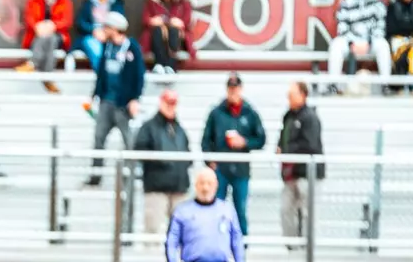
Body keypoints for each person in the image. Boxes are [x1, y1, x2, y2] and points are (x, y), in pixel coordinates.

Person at [200, 73, 265, 236]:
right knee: (216, 208)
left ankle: (241, 246)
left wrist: (245, 142)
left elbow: (261, 139)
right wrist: (210, 161)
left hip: (241, 170)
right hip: (221, 170)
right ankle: (215, 242)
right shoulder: (216, 113)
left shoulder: (250, 113)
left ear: (241, 89)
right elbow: (206, 141)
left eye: (236, 89)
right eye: (230, 89)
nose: (233, 92)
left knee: (240, 210)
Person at [86, 11, 144, 187]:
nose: (105, 30)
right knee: (98, 139)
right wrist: (95, 94)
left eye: (108, 27)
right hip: (106, 102)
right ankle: (95, 175)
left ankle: (131, 174)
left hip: (123, 104)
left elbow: (139, 76)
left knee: (130, 141)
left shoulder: (131, 48)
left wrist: (134, 98)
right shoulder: (107, 48)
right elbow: (101, 73)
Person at [134, 88, 191, 235]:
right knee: (153, 230)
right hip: (156, 187)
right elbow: (140, 150)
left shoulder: (179, 129)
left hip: (178, 187)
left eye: (173, 103)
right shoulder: (148, 127)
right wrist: (162, 161)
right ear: (161, 103)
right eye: (168, 102)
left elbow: (187, 152)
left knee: (181, 232)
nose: (171, 106)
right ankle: (150, 258)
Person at [327, 0, 391, 82]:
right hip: (350, 41)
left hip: (370, 43)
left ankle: (386, 84)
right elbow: (342, 25)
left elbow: (380, 29)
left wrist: (368, 43)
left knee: (383, 46)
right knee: (336, 45)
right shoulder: (347, 1)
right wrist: (352, 43)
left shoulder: (378, 5)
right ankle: (333, 85)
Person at [277, 81, 324, 239]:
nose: (289, 98)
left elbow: (310, 144)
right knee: (286, 209)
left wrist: (287, 150)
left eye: (292, 95)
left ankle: (307, 249)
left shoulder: (310, 117)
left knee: (307, 212)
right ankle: (291, 246)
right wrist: (280, 147)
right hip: (291, 173)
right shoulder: (288, 116)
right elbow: (283, 137)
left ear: (303, 95)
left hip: (307, 174)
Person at [15, 0, 74, 92]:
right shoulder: (34, 0)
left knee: (51, 38)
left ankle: (32, 64)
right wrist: (39, 27)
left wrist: (52, 25)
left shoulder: (65, 1)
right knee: (47, 38)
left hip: (57, 35)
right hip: (37, 35)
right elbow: (29, 19)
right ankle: (48, 77)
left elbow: (67, 21)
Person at [141, 0, 193, 72]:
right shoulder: (152, 1)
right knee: (157, 31)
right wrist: (153, 21)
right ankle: (159, 65)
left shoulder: (181, 0)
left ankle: (170, 66)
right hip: (158, 34)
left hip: (177, 35)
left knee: (173, 31)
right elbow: (145, 19)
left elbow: (187, 19)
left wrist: (179, 22)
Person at [74, 0, 125, 69]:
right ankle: (102, 75)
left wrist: (107, 33)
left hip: (111, 37)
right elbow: (80, 23)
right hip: (92, 36)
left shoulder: (117, 4)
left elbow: (120, 24)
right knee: (95, 50)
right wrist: (94, 30)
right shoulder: (87, 4)